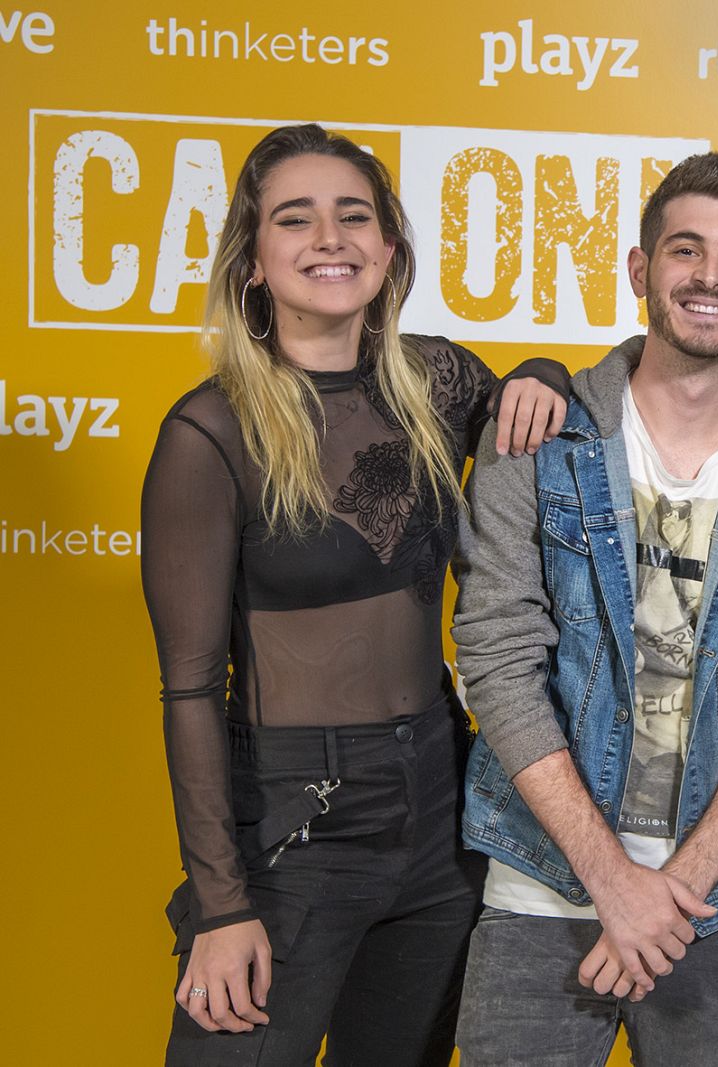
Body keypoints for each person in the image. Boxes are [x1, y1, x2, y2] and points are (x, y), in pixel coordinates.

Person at [142, 122, 566, 1065]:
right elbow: (189, 689)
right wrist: (220, 903)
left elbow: (526, 403)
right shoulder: (210, 432)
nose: (329, 238)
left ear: (389, 246)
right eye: (295, 219)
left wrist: (544, 373)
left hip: (442, 811)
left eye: (353, 216)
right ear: (253, 260)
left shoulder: (436, 380)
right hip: (295, 824)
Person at [448, 151, 718, 1066]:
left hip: (717, 903)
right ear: (641, 269)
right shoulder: (535, 440)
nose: (712, 276)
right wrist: (613, 883)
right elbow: (499, 663)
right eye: (686, 249)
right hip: (543, 884)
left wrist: (672, 892)